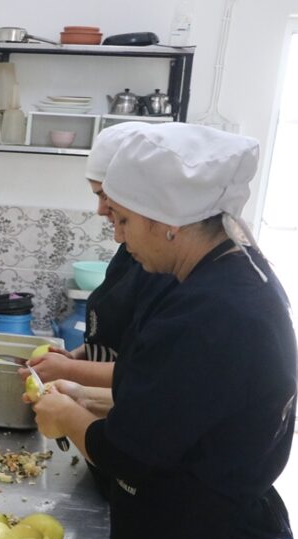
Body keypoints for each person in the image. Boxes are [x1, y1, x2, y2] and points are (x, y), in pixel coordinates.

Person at [29, 123, 298, 539]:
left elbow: (128, 453)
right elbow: (173, 395)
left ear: (169, 223)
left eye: (124, 220)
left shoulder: (213, 311)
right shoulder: (221, 277)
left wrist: (66, 416)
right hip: (196, 532)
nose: (118, 236)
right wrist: (90, 396)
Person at [21, 122, 175, 388]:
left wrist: (71, 370)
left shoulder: (162, 265)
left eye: (106, 196)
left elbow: (150, 372)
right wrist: (76, 358)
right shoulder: (129, 252)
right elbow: (116, 341)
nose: (101, 209)